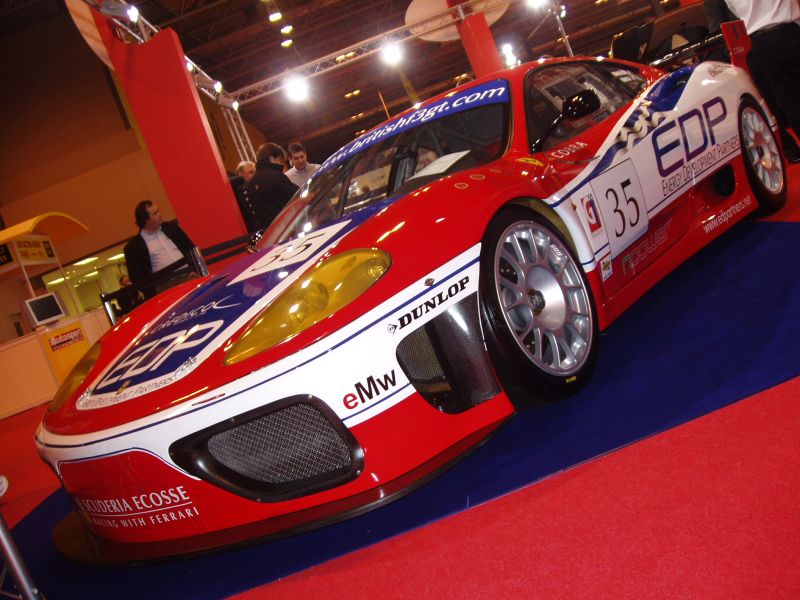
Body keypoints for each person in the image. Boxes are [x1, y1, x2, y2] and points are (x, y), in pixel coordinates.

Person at [704, 0, 800, 162]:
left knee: (789, 100)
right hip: (785, 31)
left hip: (758, 41)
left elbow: (735, 12)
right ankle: (789, 148)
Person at [123, 200, 197, 298]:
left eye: (158, 211)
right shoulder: (133, 247)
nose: (160, 214)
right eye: (155, 213)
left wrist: (194, 269)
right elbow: (136, 278)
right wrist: (155, 290)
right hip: (164, 288)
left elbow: (191, 248)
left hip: (189, 276)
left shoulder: (172, 227)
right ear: (145, 220)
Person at [246, 143, 299, 230]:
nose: (281, 164)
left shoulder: (250, 184)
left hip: (270, 233)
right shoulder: (276, 176)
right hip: (288, 227)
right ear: (271, 158)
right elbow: (296, 195)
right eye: (279, 160)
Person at [230, 160, 263, 233]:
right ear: (240, 174)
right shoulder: (236, 194)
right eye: (251, 172)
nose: (254, 175)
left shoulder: (258, 187)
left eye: (255, 172)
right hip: (250, 231)